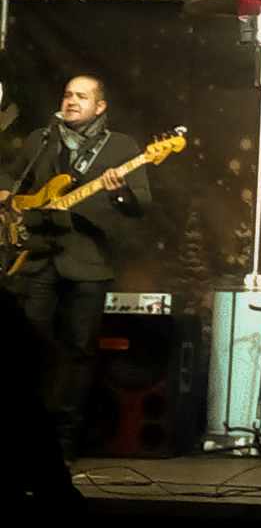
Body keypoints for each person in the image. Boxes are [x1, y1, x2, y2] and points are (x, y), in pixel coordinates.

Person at [0, 74, 151, 462]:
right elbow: (9, 173)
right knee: (27, 351)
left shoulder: (122, 147)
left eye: (81, 96)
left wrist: (120, 191)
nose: (71, 101)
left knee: (78, 353)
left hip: (89, 262)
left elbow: (140, 206)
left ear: (100, 106)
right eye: (68, 94)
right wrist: (5, 191)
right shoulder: (41, 139)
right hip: (38, 258)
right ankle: (21, 438)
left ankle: (64, 442)